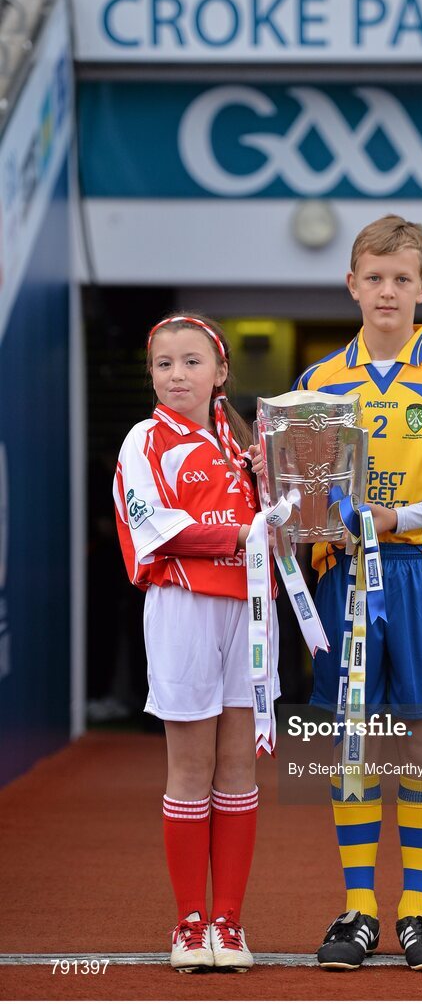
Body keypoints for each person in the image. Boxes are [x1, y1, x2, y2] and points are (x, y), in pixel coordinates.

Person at [293, 215, 422, 971]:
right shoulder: (317, 383)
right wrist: (303, 518)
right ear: (351, 285)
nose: (386, 290)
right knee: (351, 742)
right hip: (341, 575)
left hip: (419, 572)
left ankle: (416, 911)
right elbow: (297, 492)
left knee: (419, 736)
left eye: (400, 279)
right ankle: (357, 908)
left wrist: (396, 519)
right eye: (372, 277)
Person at [113, 313, 279, 973]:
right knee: (189, 770)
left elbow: (290, 526)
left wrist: (280, 483)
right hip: (182, 606)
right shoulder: (143, 439)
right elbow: (151, 524)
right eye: (164, 364)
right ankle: (188, 923)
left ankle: (229, 923)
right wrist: (237, 536)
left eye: (190, 362)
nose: (177, 375)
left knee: (238, 769)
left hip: (250, 610)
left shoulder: (246, 446)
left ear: (220, 371)